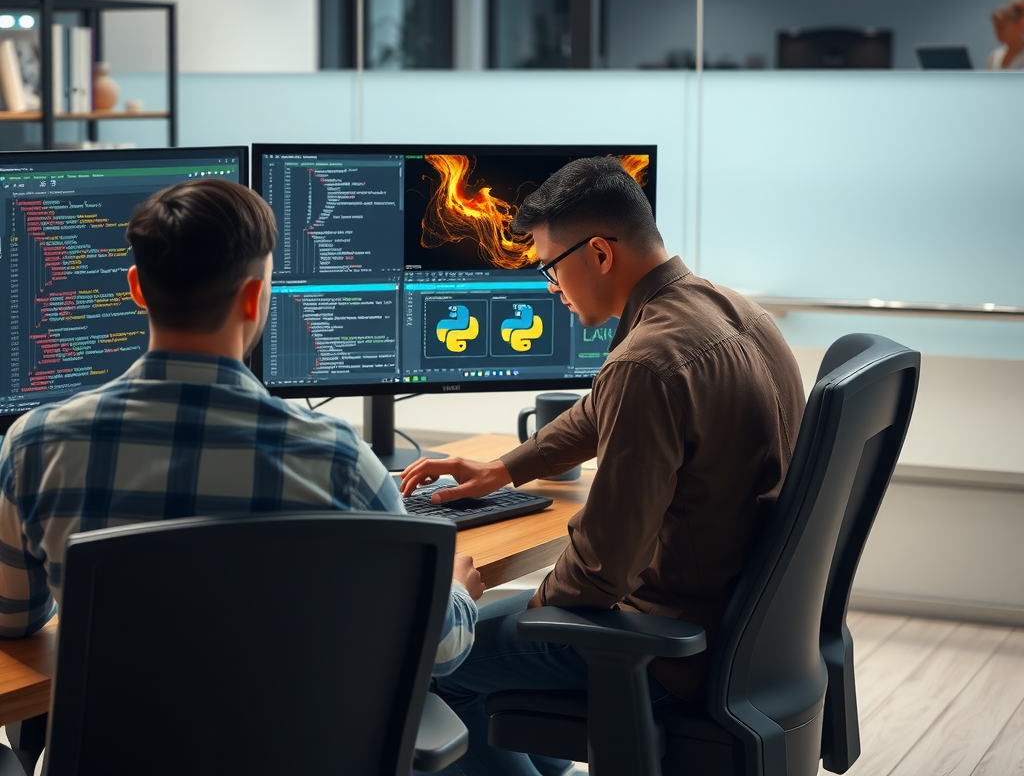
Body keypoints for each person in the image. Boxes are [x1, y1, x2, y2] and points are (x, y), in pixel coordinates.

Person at [401, 156, 805, 776]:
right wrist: (502, 470)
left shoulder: (644, 363)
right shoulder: (737, 315)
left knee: (433, 662)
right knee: (491, 632)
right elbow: (600, 413)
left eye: (549, 269)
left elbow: (598, 571)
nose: (550, 289)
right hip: (748, 636)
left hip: (670, 650)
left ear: (599, 253)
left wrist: (527, 611)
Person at [0, 180, 482, 680]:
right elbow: (440, 649)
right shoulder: (339, 462)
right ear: (254, 297)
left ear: (137, 288)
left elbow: (13, 619)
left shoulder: (33, 446)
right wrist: (456, 590)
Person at [985, 0, 1024, 70]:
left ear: (1019, 25)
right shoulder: (994, 57)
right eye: (996, 28)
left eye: (1001, 28)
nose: (997, 33)